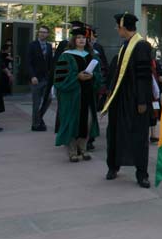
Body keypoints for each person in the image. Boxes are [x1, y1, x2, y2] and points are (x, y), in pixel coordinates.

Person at [104, 12, 154, 188]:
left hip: (134, 101)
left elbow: (144, 77)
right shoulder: (125, 46)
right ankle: (113, 166)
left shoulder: (141, 46)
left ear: (123, 27)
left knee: (139, 136)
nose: (117, 30)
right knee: (115, 133)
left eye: (118, 27)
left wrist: (142, 101)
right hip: (120, 100)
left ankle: (142, 174)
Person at [54, 26, 102, 162]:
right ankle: (72, 150)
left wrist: (92, 77)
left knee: (88, 121)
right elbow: (59, 78)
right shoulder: (66, 55)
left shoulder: (92, 55)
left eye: (84, 38)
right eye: (79, 38)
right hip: (72, 95)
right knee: (73, 121)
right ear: (74, 40)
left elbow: (99, 74)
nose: (81, 40)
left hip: (88, 93)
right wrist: (77, 77)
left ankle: (83, 148)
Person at [27, 25, 54, 131]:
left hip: (46, 78)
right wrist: (32, 76)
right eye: (41, 32)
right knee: (36, 102)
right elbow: (28, 62)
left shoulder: (48, 46)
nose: (42, 34)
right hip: (36, 78)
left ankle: (39, 118)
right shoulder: (32, 45)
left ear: (47, 34)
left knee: (48, 99)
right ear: (38, 33)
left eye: (45, 32)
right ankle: (35, 124)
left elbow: (50, 62)